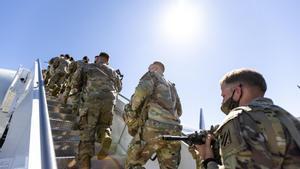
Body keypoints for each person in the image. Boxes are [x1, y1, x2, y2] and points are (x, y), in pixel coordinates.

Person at [196, 68, 300, 169]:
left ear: (237, 91)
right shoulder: (290, 119)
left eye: (223, 96)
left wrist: (208, 159)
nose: (222, 102)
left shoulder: (238, 118)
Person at [124, 61, 183, 169]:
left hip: (154, 128)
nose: (148, 70)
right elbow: (179, 111)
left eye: (150, 68)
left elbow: (139, 93)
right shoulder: (172, 86)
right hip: (175, 131)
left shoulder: (152, 75)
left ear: (154, 68)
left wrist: (132, 110)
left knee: (133, 162)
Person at [70, 52, 122, 169]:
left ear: (98, 58)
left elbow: (75, 82)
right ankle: (105, 136)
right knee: (104, 124)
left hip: (92, 100)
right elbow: (119, 88)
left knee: (87, 133)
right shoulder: (114, 72)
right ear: (107, 61)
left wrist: (76, 101)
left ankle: (85, 164)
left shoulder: (88, 66)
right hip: (109, 101)